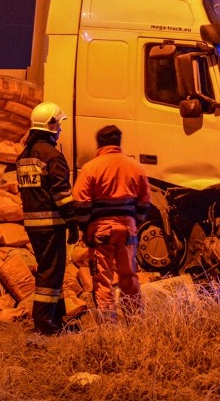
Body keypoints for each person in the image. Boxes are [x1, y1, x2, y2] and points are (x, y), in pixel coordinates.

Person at [72, 125, 150, 323]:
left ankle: (109, 328)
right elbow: (144, 200)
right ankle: (135, 322)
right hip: (127, 230)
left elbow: (80, 202)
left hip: (101, 231)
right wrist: (135, 222)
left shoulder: (91, 168)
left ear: (100, 144)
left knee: (103, 280)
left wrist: (85, 227)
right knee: (129, 277)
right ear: (118, 143)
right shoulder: (135, 167)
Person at [16, 102, 78, 335]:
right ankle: (43, 322)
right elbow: (61, 194)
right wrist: (72, 222)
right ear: (51, 126)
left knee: (50, 270)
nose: (61, 129)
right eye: (59, 125)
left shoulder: (25, 155)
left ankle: (56, 316)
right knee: (51, 271)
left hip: (32, 224)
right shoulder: (52, 156)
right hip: (51, 223)